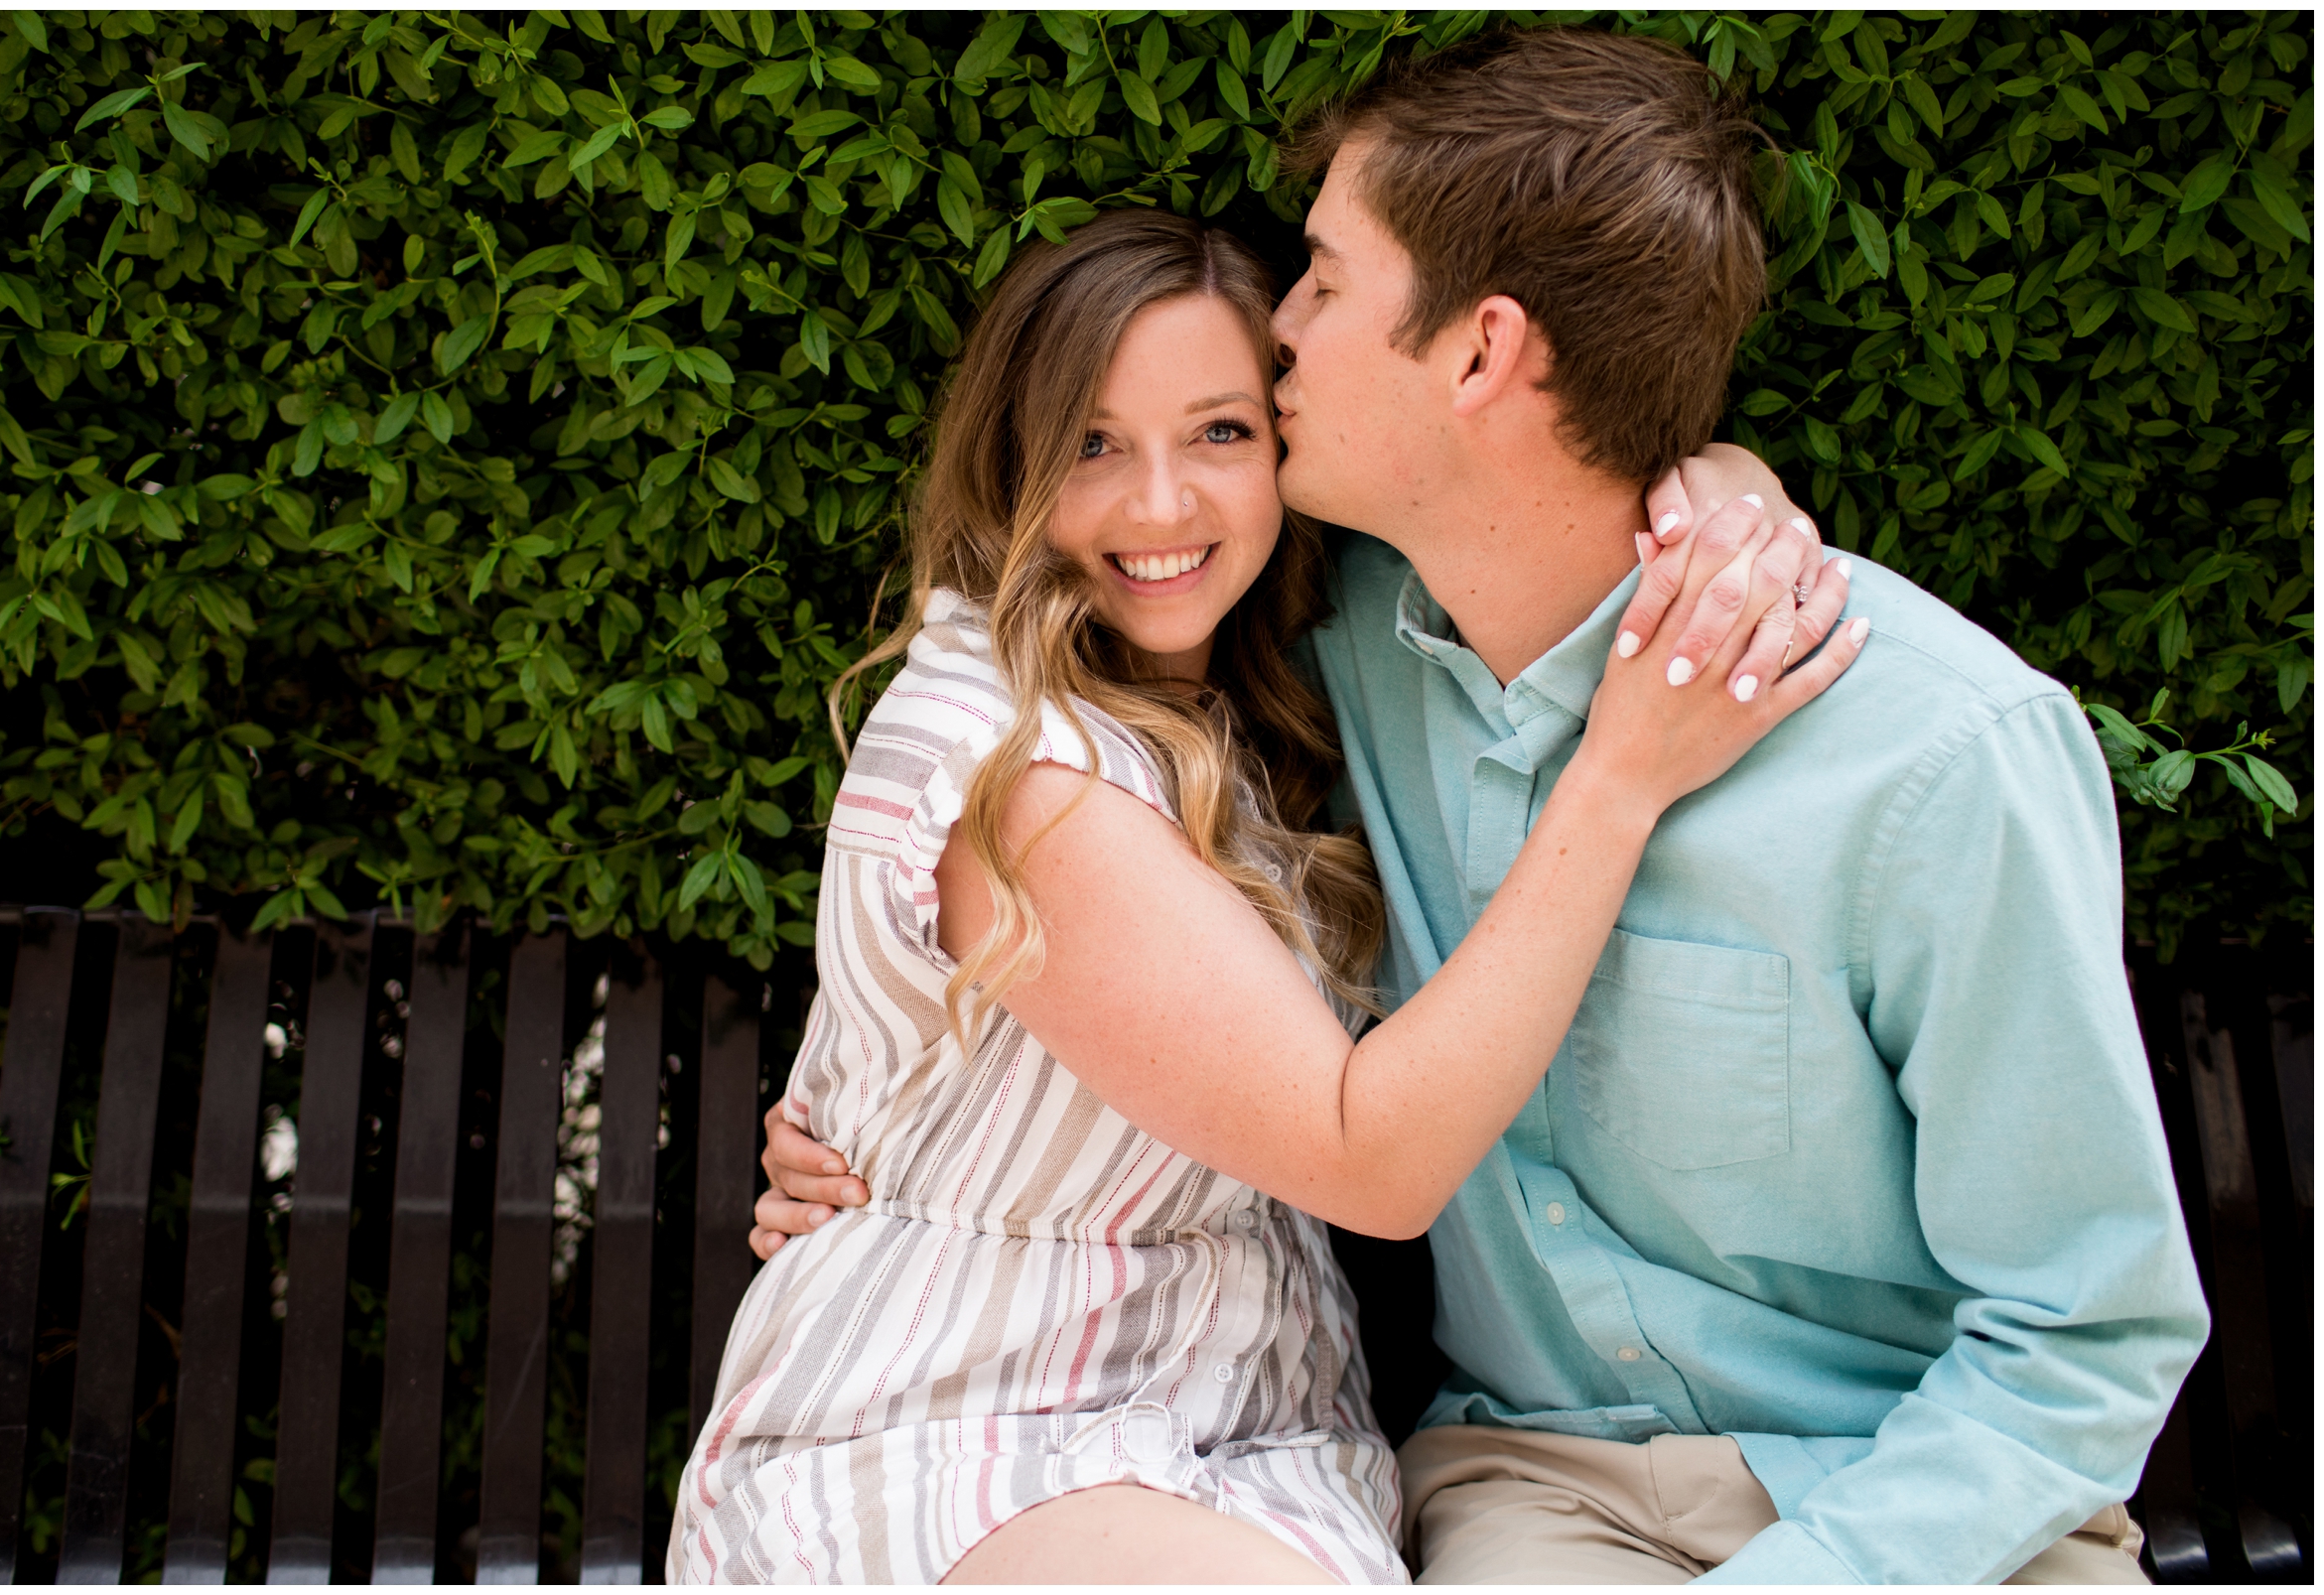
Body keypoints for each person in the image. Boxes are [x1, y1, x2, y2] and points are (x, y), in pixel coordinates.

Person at [752, 25, 2211, 1587]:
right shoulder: (1333, 653)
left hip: (1931, 1502)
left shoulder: (1937, 754)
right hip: (1542, 1490)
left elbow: (2084, 1336)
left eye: (1318, 280)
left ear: (1479, 352)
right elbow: (1052, 830)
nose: (1283, 334)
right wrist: (885, 1103)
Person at [669, 196, 1859, 1585]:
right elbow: (1375, 1163)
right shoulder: (1013, 761)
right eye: (1093, 446)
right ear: (1012, 463)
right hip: (959, 1412)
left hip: (1258, 1430)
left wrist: (1720, 489)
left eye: (1221, 433)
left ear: (1291, 445)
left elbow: (1536, 499)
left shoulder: (1277, 678)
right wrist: (1622, 777)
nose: (1160, 506)